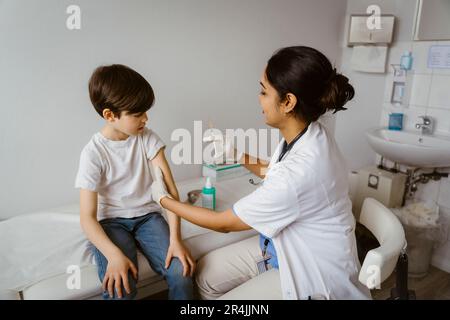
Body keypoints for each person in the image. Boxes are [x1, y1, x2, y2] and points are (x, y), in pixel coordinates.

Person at [150, 46, 372, 300]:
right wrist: (236, 154)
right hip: (287, 246)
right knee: (205, 276)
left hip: (313, 278)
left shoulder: (300, 172)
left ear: (288, 102)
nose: (259, 98)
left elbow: (223, 224)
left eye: (264, 91)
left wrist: (163, 200)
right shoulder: (312, 135)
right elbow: (274, 169)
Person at [75, 64, 195, 300]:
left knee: (182, 272)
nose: (146, 119)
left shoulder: (147, 138)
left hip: (148, 217)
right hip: (111, 223)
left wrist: (175, 240)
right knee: (120, 286)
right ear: (110, 115)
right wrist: (113, 255)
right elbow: (87, 217)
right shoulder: (93, 153)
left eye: (145, 112)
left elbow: (170, 192)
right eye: (137, 114)